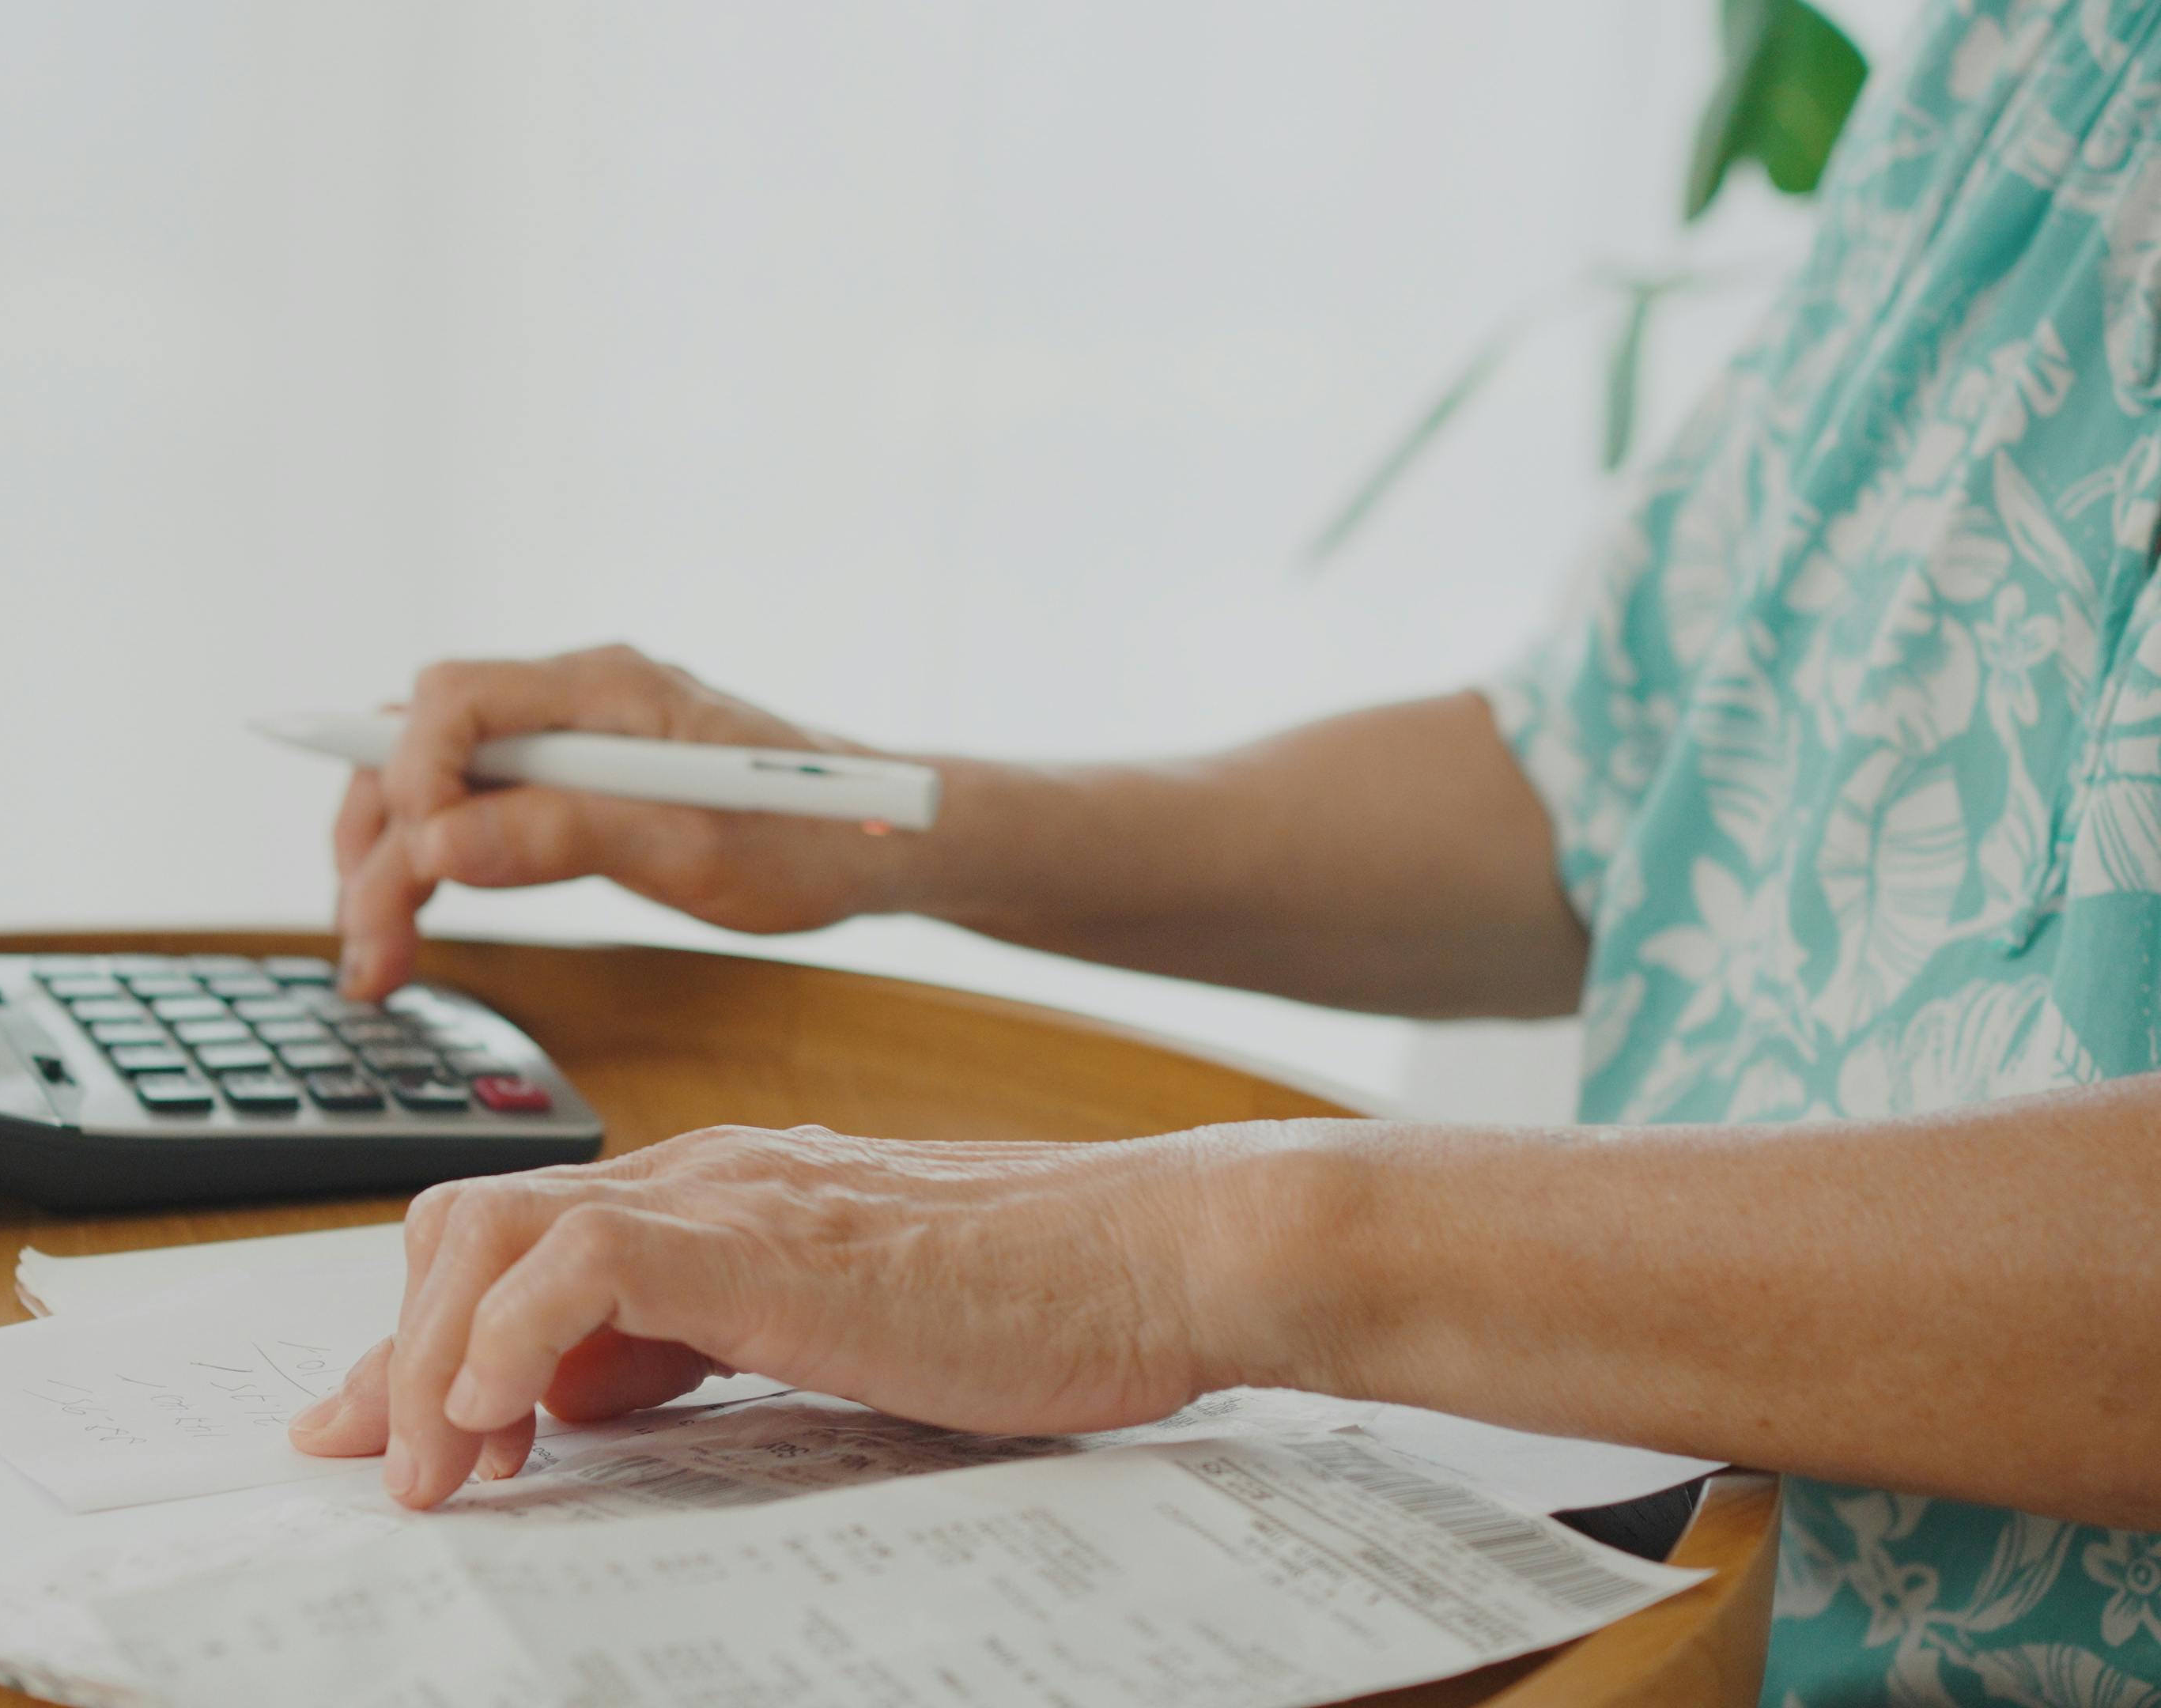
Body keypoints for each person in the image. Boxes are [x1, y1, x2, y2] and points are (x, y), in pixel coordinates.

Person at [285, 9, 2161, 1706]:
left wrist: (1175, 1251)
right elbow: (1617, 791)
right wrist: (855, 811)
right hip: (1660, 1605)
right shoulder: (2033, 50)